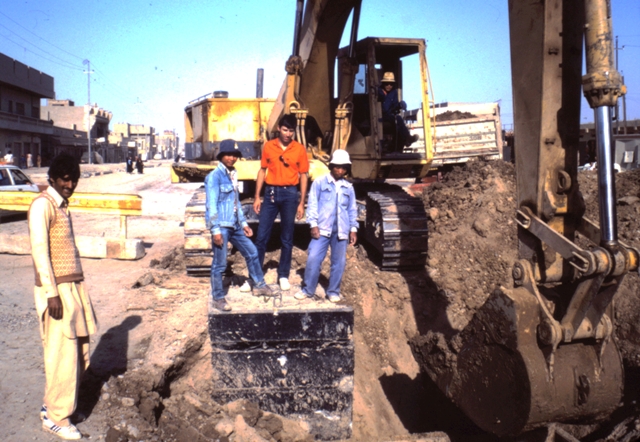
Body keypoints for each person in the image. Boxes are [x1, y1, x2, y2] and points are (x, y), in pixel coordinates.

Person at [28, 153, 98, 440]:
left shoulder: (62, 206)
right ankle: (57, 418)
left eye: (74, 179)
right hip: (57, 291)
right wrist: (51, 294)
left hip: (73, 287)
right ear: (53, 179)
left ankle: (57, 406)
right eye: (65, 179)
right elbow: (39, 251)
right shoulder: (42, 205)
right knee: (62, 354)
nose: (70, 184)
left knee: (78, 351)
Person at [205, 139, 272, 311]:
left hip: (234, 225)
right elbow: (211, 204)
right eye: (228, 155)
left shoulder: (233, 174)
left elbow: (236, 202)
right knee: (220, 264)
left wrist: (243, 223)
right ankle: (218, 298)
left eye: (234, 155)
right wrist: (215, 230)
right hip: (221, 225)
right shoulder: (214, 177)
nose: (232, 158)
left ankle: (259, 285)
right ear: (221, 156)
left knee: (252, 252)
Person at [253, 114, 309, 291]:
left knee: (287, 237)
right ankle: (255, 275)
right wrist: (256, 197)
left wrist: (301, 202)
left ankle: (283, 275)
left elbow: (303, 175)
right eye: (285, 130)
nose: (288, 134)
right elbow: (262, 171)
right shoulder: (269, 147)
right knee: (261, 236)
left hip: (290, 195)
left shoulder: (299, 149)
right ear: (279, 128)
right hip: (270, 194)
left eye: (291, 131)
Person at [294, 150, 358, 303]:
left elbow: (352, 209)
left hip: (341, 230)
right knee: (314, 258)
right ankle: (308, 289)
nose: (340, 171)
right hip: (322, 228)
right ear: (331, 166)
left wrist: (353, 229)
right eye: (337, 167)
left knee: (339, 262)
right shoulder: (319, 183)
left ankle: (333, 291)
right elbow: (313, 204)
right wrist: (313, 224)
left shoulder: (348, 187)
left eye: (343, 168)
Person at [377, 71, 419, 151]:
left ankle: (401, 144)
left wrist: (400, 105)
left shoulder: (394, 92)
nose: (389, 86)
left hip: (390, 116)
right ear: (383, 83)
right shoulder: (379, 92)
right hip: (380, 116)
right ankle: (408, 138)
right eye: (387, 83)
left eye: (391, 84)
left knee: (398, 123)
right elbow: (385, 108)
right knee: (398, 119)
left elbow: (394, 106)